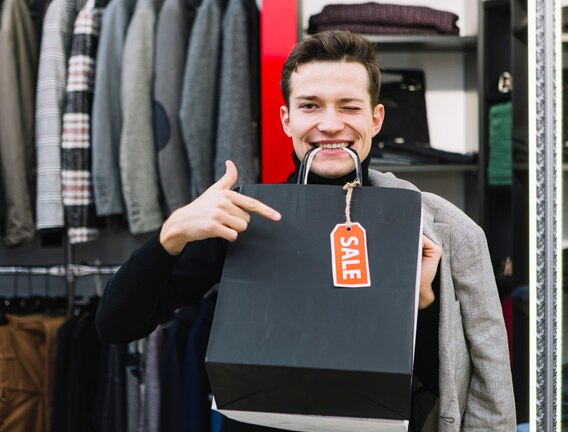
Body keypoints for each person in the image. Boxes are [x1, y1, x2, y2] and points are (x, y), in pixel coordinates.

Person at [96, 30, 516, 431]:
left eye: (349, 106)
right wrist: (170, 235)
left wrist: (423, 303)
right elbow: (115, 326)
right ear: (286, 119)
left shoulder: (432, 230)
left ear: (375, 118)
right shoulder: (245, 217)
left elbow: (448, 391)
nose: (330, 125)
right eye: (310, 105)